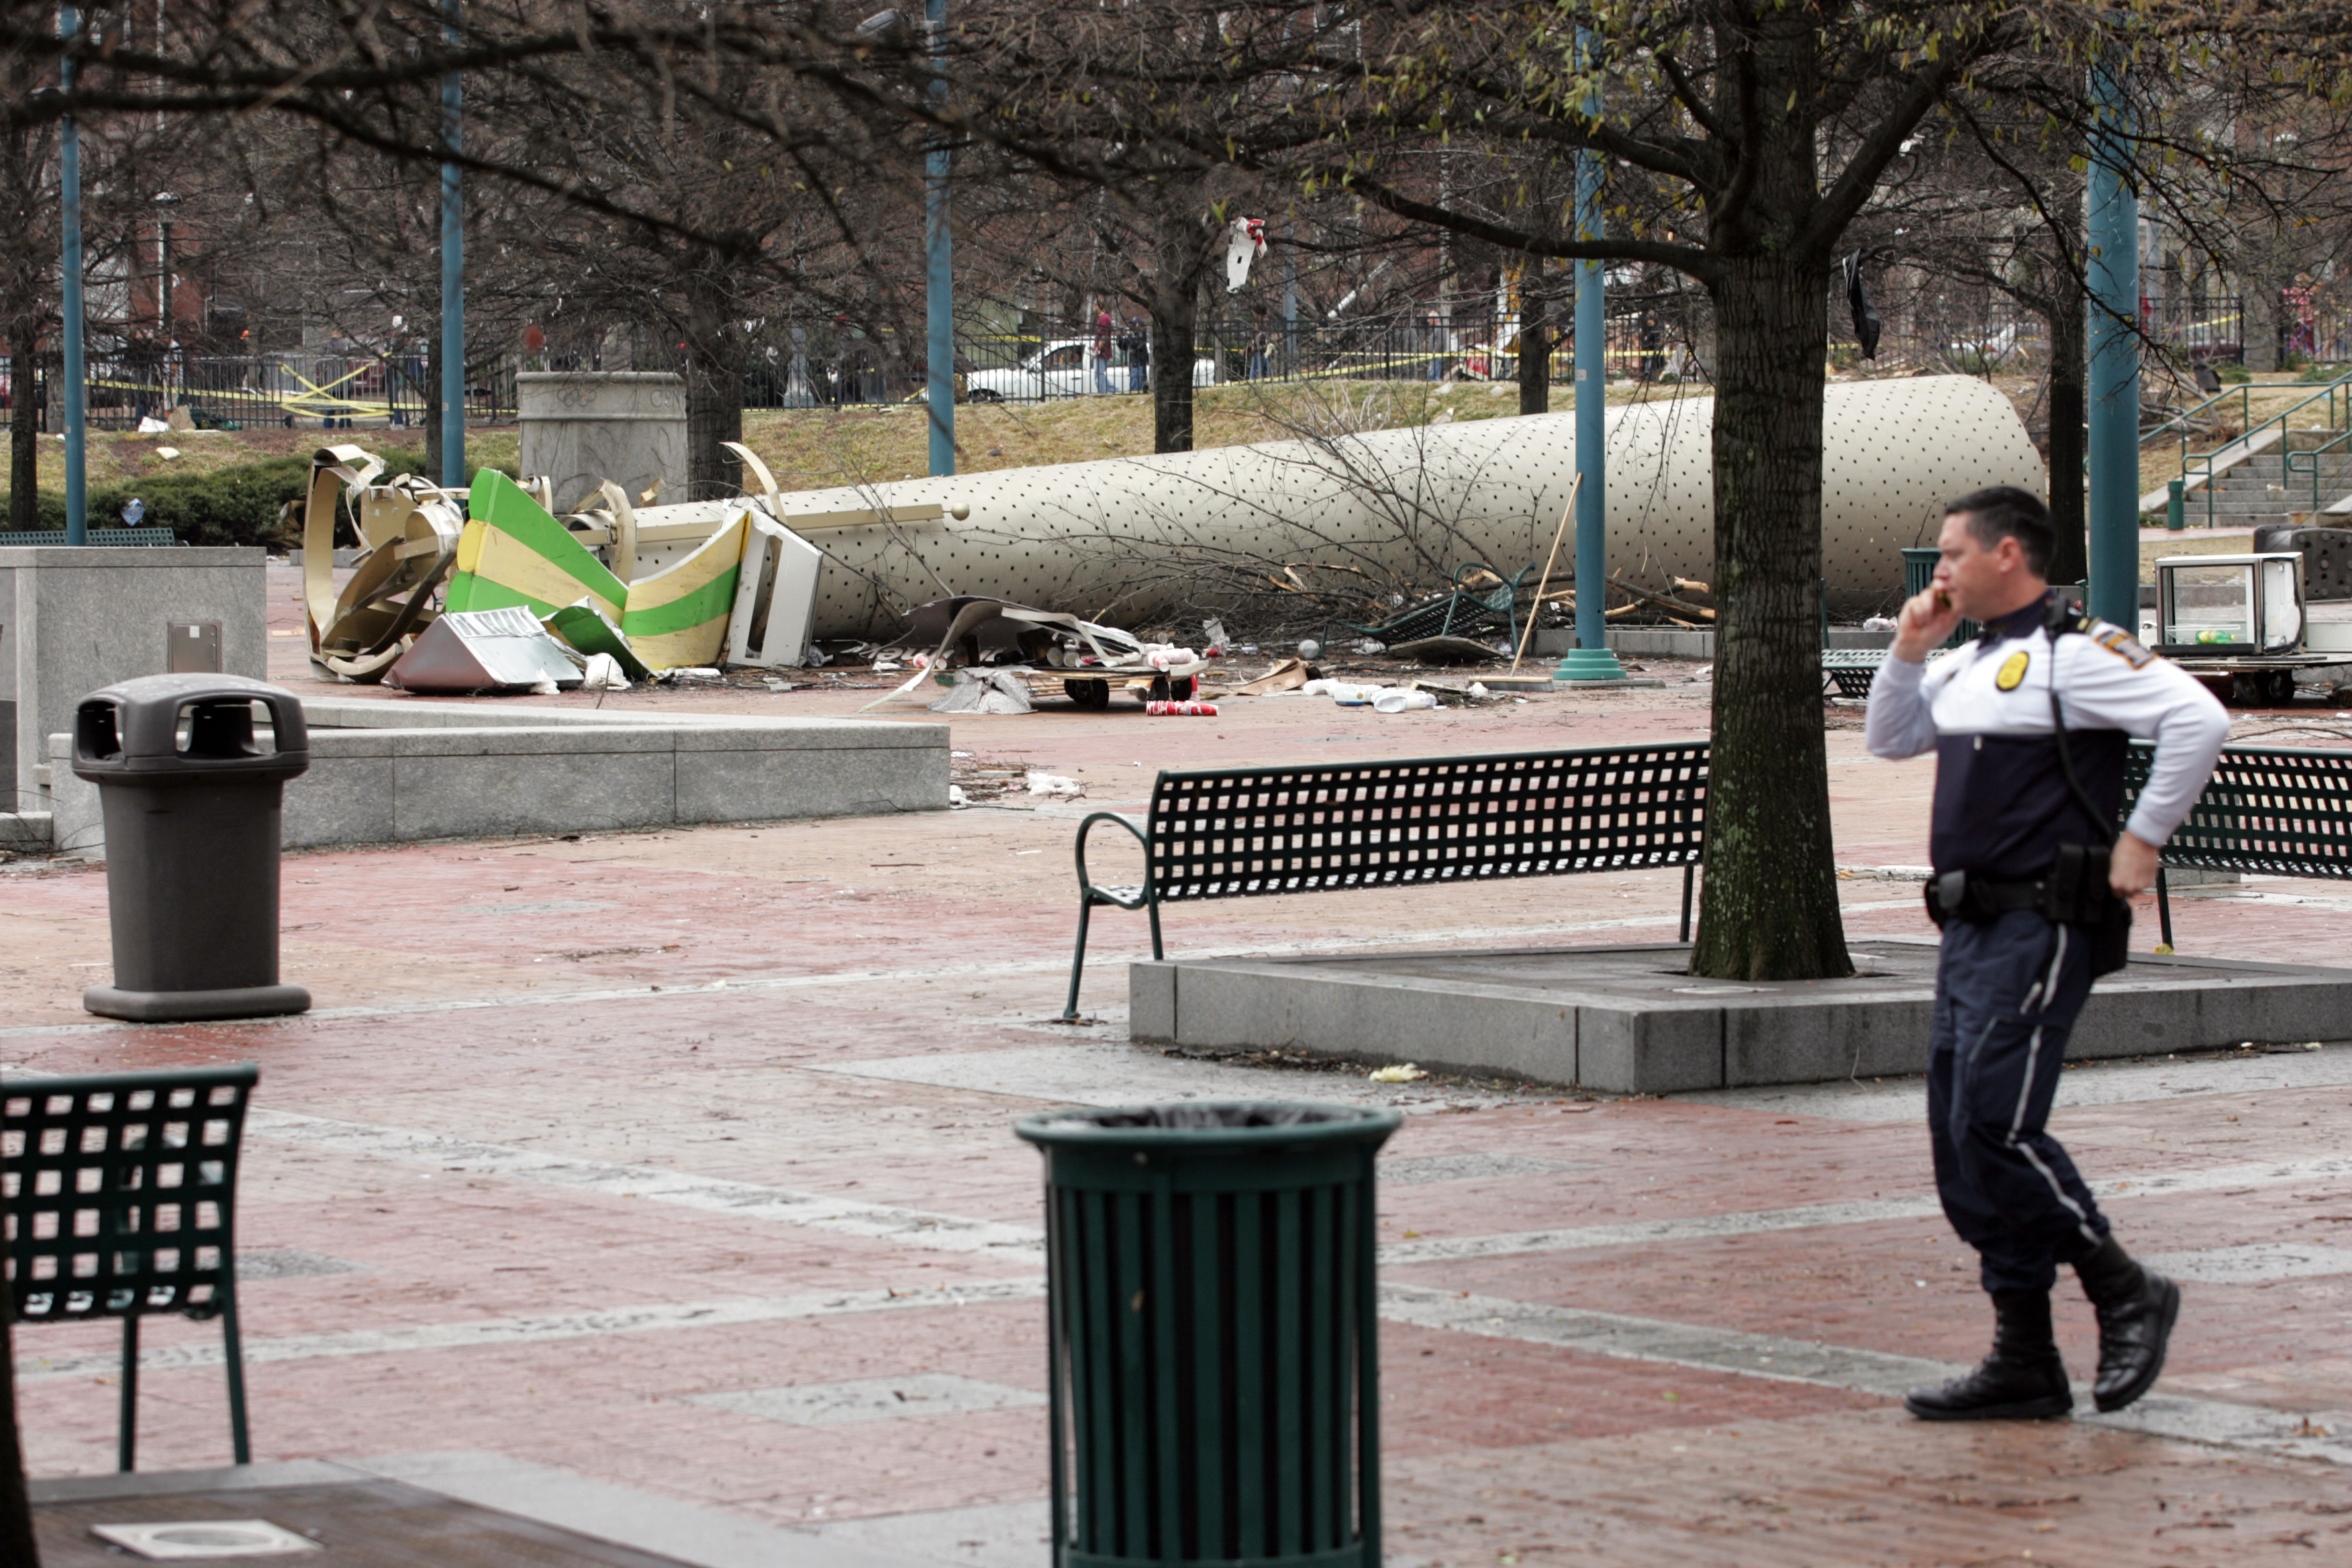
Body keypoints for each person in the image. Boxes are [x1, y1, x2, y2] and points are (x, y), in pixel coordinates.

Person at [1865, 485, 2228, 1423]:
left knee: (1998, 1123)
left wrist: (2143, 838)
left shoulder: (2082, 653)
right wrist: (1908, 651)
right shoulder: (1969, 661)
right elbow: (1890, 738)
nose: (1938, 570)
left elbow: (2199, 720)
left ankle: (2123, 1286)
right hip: (1972, 927)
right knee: (1961, 1141)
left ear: (2009, 554)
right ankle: (2024, 1357)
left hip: (2044, 923)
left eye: (1951, 554)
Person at [1092, 309, 1115, 395]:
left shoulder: (1104, 319)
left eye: (1095, 305)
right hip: (1101, 352)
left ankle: (1103, 395)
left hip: (1101, 353)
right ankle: (1116, 391)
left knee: (1099, 378)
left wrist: (1097, 350)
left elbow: (1104, 336)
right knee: (1100, 377)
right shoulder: (1103, 318)